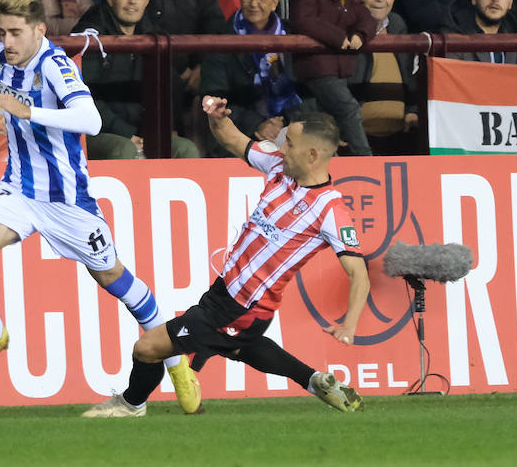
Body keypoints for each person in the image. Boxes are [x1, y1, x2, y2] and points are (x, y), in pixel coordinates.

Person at [0, 0, 201, 413]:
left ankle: (177, 361)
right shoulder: (2, 55)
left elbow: (92, 119)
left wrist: (29, 112)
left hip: (67, 200)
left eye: (15, 32)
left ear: (39, 30)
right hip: (19, 187)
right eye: (2, 31)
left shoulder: (56, 66)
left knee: (114, 280)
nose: (7, 41)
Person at [83, 103, 367, 417]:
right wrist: (217, 117)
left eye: (290, 144)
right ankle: (313, 380)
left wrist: (349, 325)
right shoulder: (278, 168)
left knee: (148, 349)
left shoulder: (330, 209)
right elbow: (233, 140)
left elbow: (359, 274)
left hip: (242, 307)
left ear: (313, 155)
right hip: (227, 293)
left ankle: (130, 405)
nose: (282, 148)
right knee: (239, 347)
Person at [73, 0, 202, 160]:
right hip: (96, 133)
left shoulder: (154, 37)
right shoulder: (90, 37)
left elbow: (168, 89)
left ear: (147, 1)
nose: (132, 1)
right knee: (124, 150)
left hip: (141, 133)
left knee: (185, 149)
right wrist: (126, 133)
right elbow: (85, 96)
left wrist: (162, 129)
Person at [288, 0, 377, 155]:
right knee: (348, 109)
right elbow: (303, 20)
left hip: (338, 68)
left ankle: (324, 149)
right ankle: (365, 157)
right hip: (318, 67)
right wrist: (339, 38)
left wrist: (360, 34)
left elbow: (367, 19)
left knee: (327, 114)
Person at [200, 0, 303, 148]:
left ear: (275, 1)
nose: (253, 4)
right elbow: (214, 98)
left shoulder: (295, 35)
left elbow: (310, 91)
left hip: (290, 127)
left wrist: (286, 121)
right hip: (239, 133)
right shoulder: (220, 38)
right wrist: (257, 124)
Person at [350, 0, 418, 154]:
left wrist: (412, 110)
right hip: (355, 141)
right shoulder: (342, 28)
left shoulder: (397, 25)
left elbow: (410, 76)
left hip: (400, 139)